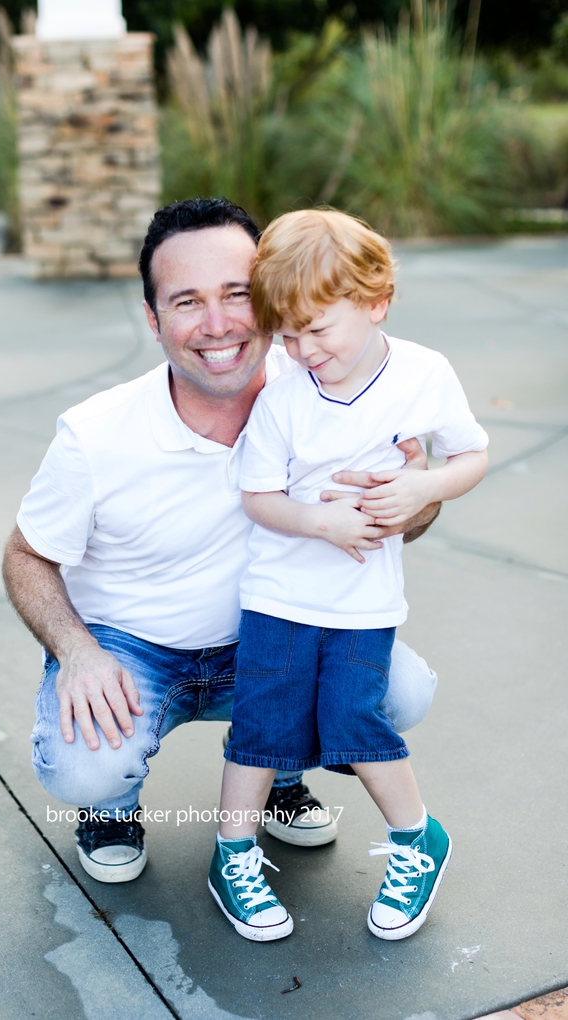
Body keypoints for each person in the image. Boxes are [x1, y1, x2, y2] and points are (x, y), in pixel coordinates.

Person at [2, 198, 440, 887]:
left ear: (269, 297)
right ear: (152, 319)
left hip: (272, 635)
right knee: (86, 766)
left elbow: (412, 517)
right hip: (135, 648)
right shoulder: (96, 434)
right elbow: (26, 554)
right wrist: (77, 653)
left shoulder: (327, 394)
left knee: (401, 690)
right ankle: (111, 810)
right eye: (186, 302)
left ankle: (280, 779)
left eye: (237, 294)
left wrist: (415, 495)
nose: (217, 325)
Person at [208, 209, 488, 943]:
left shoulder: (423, 375)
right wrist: (319, 522)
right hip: (276, 596)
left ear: (374, 302)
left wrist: (423, 489)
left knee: (355, 723)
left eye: (317, 330)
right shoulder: (284, 395)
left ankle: (417, 840)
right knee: (261, 724)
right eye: (288, 335)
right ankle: (232, 853)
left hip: (364, 604)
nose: (301, 349)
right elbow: (259, 496)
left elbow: (470, 457)